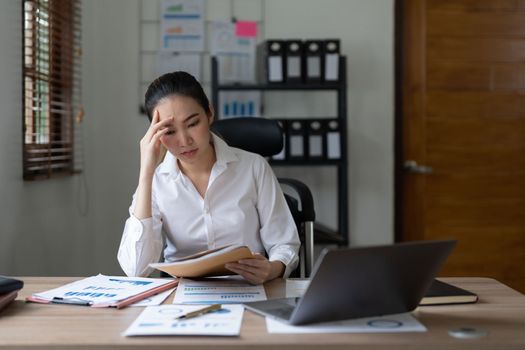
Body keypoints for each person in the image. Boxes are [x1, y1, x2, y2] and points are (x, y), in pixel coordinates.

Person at [117, 71, 300, 284]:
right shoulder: (157, 181)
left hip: (248, 287)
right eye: (169, 131)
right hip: (181, 295)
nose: (184, 141)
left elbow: (284, 244)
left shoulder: (254, 167)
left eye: (193, 123)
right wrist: (146, 173)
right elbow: (135, 268)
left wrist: (272, 269)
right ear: (155, 134)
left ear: (209, 113)